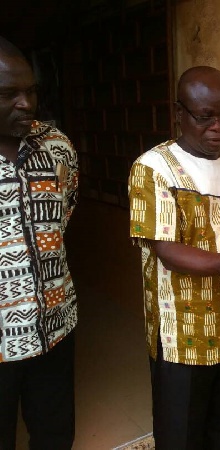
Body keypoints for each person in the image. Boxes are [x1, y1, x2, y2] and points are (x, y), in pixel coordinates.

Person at [128, 66, 220, 449]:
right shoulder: (152, 169)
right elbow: (167, 250)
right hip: (184, 336)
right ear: (179, 113)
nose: (218, 127)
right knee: (182, 435)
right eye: (204, 116)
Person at [0, 36, 79, 449]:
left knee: (54, 434)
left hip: (54, 327)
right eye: (8, 94)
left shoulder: (57, 147)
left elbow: (63, 215)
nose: (26, 104)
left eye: (30, 91)